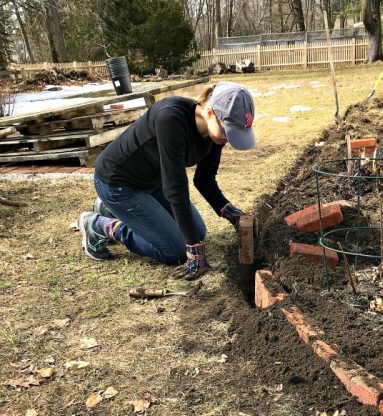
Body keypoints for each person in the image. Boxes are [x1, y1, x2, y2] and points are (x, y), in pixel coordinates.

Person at [78, 81, 256, 281]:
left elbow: (204, 180)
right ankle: (98, 225)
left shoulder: (215, 133)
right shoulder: (171, 118)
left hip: (152, 182)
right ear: (210, 112)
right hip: (118, 184)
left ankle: (111, 208)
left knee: (198, 231)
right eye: (227, 132)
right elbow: (176, 191)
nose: (227, 140)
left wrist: (231, 213)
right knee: (176, 251)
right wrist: (194, 252)